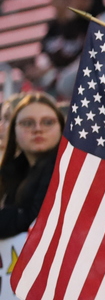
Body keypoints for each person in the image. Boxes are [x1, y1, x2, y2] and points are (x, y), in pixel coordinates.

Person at [0, 93, 63, 238]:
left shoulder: (64, 168)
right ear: (14, 131)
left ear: (61, 127)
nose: (38, 129)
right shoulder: (12, 171)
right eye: (27, 123)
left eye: (48, 122)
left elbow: (37, 219)